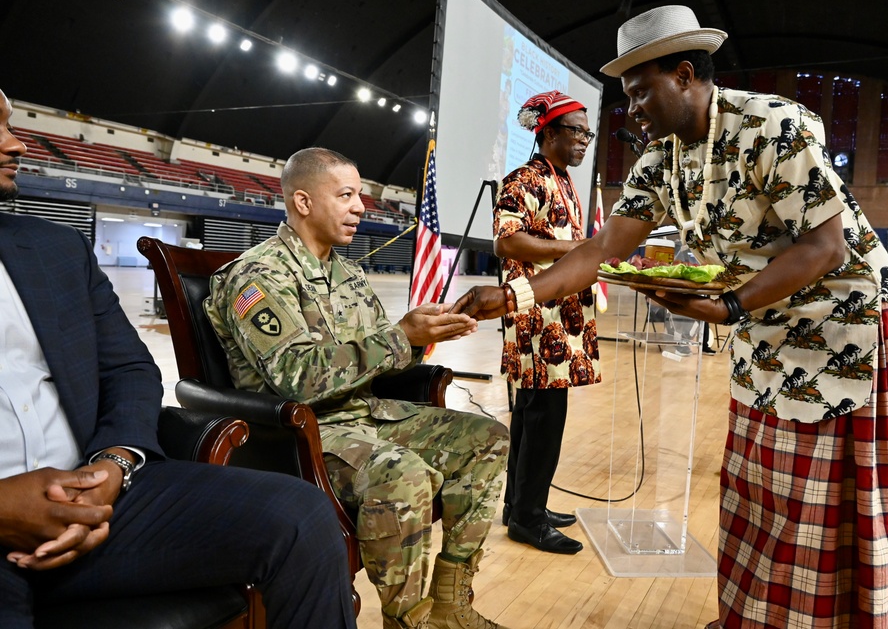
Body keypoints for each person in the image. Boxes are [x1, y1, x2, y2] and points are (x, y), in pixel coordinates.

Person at [453, 5, 888, 628]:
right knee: (758, 490)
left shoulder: (771, 126)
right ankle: (756, 616)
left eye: (640, 92)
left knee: (816, 497)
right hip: (764, 329)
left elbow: (826, 247)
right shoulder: (663, 160)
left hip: (840, 330)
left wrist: (729, 305)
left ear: (684, 74)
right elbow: (602, 250)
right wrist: (515, 297)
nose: (632, 111)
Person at [0, 88, 356, 629]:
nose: (16, 143)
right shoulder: (259, 276)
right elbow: (297, 374)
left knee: (301, 516)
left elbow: (130, 370)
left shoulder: (54, 250)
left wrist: (114, 462)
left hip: (100, 496)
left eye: (12, 123)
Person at [204, 147, 510, 629]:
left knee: (487, 438)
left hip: (362, 417)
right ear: (303, 202)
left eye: (360, 195)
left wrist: (421, 336)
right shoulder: (258, 277)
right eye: (345, 195)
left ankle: (451, 606)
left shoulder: (347, 273)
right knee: (404, 474)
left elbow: (374, 362)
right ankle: (408, 620)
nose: (361, 207)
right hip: (296, 436)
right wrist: (398, 338)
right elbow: (297, 378)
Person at [494, 91, 600, 555]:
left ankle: (520, 504)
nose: (584, 141)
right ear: (549, 133)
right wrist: (574, 250)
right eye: (577, 131)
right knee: (543, 419)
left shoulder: (562, 180)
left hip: (559, 315)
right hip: (540, 320)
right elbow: (506, 242)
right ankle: (528, 520)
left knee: (532, 416)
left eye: (587, 133)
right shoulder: (526, 178)